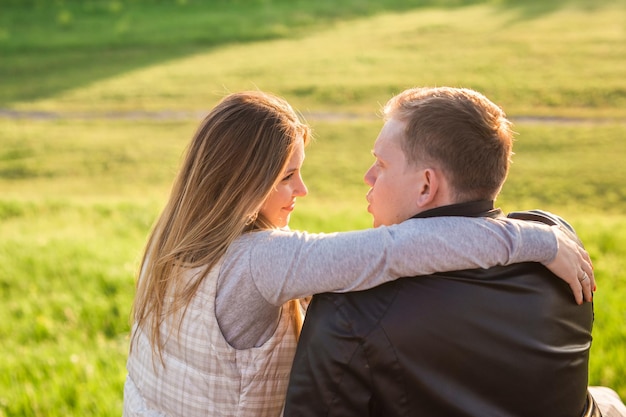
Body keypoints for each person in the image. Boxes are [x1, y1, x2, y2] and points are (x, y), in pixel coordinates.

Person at [122, 90, 595, 417]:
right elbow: (394, 250)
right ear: (241, 182)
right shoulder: (259, 263)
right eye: (287, 176)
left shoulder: (171, 239)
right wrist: (539, 238)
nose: (302, 190)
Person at [284, 87, 625, 416]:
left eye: (381, 164)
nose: (368, 177)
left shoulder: (349, 306)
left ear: (426, 186)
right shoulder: (560, 252)